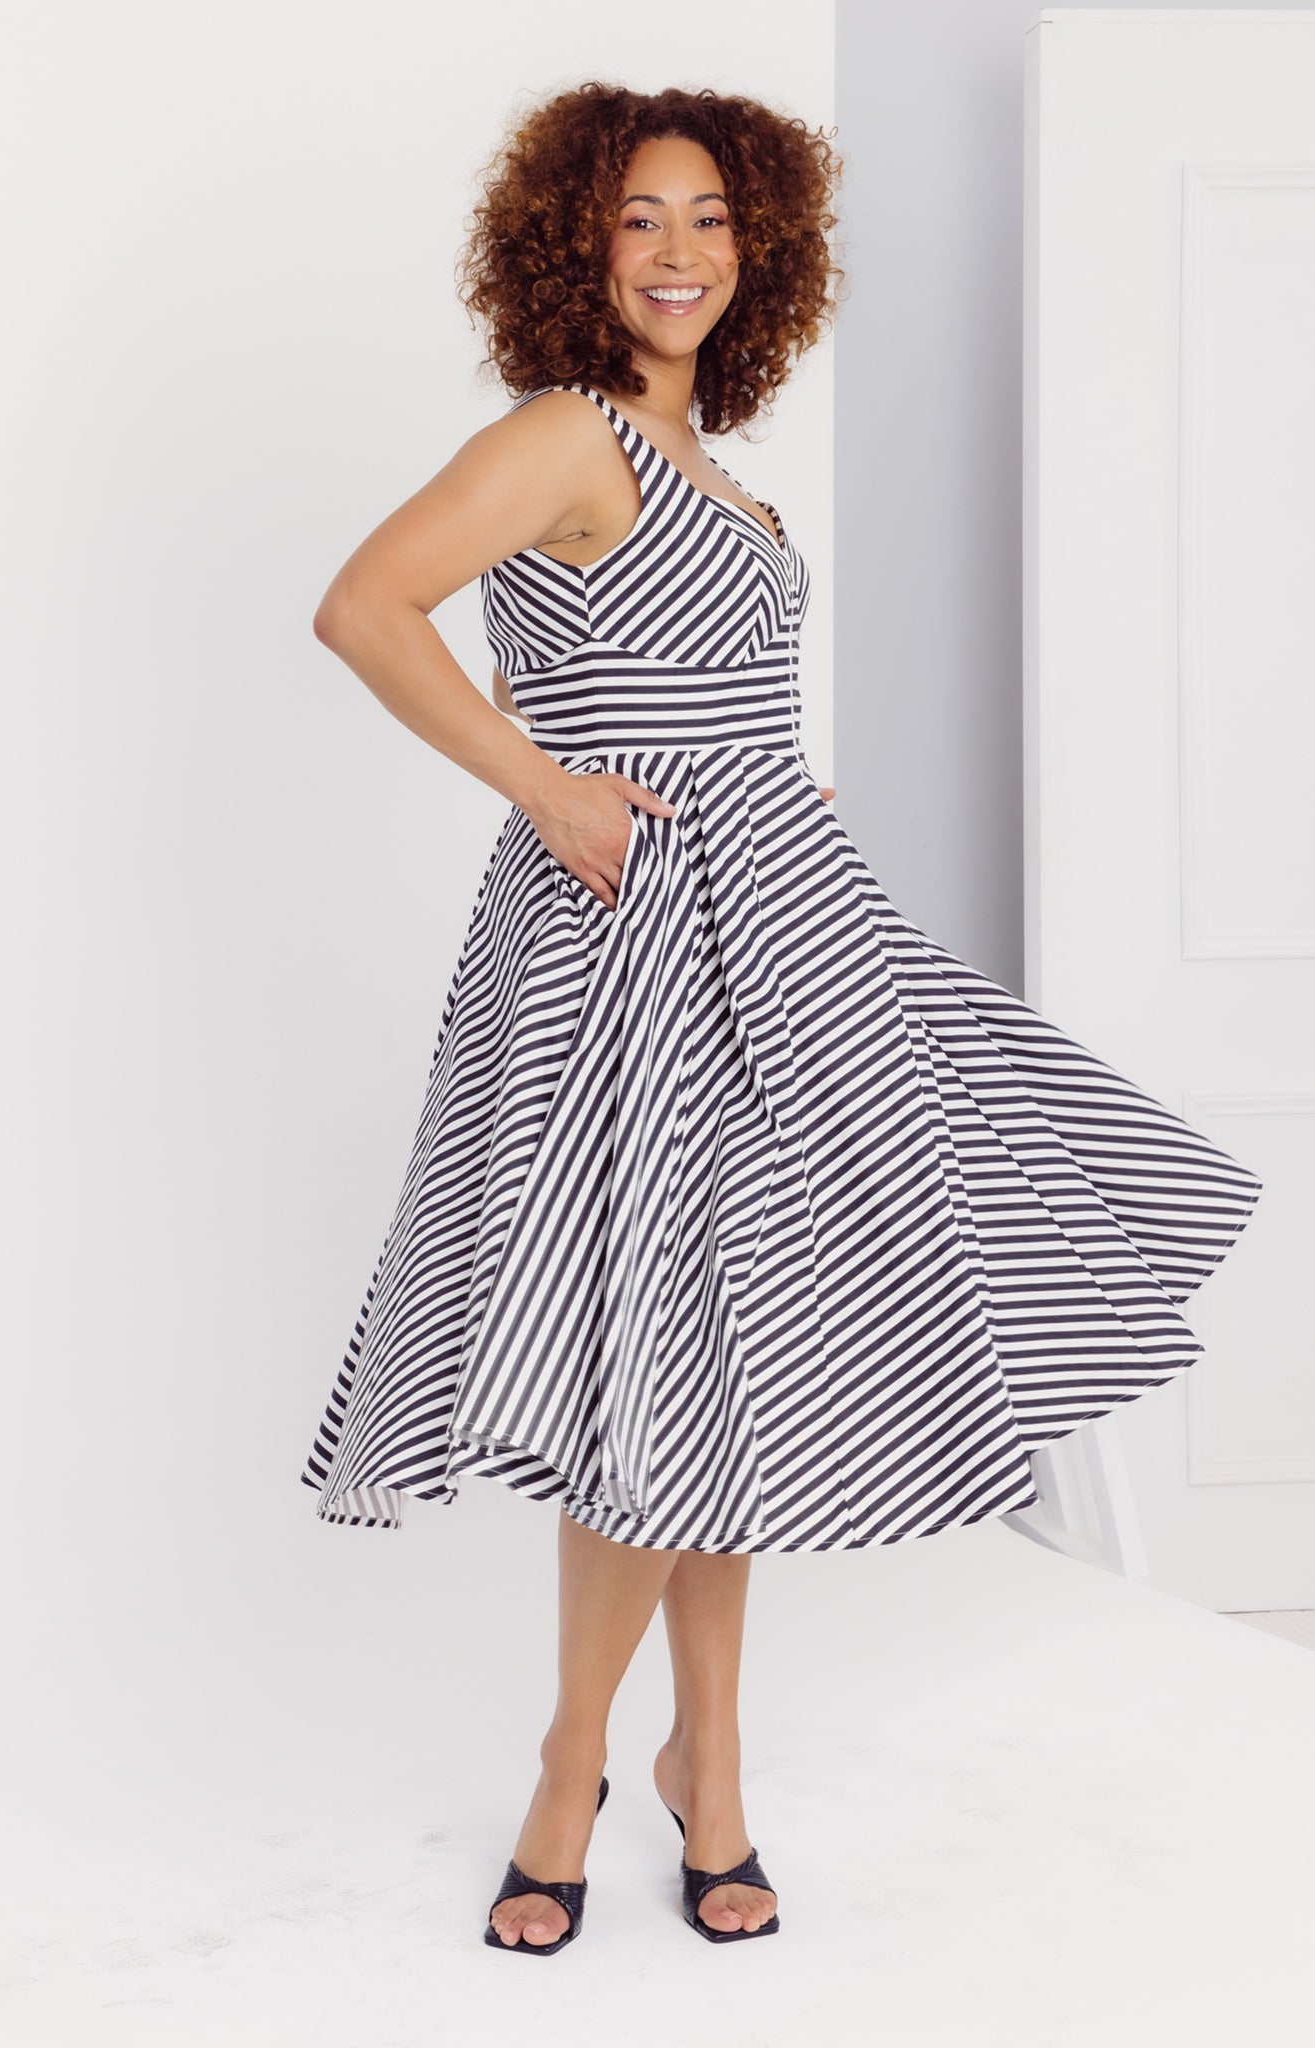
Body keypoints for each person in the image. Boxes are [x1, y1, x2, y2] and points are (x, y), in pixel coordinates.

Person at [298, 85, 1263, 1956]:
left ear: (764, 256)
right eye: (643, 219)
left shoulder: (717, 465)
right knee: (643, 1359)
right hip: (627, 942)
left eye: (715, 223)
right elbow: (363, 607)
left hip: (783, 929)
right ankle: (576, 1759)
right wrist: (548, 787)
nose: (680, 254)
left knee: (744, 1356)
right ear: (576, 243)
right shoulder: (565, 435)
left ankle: (708, 1762)